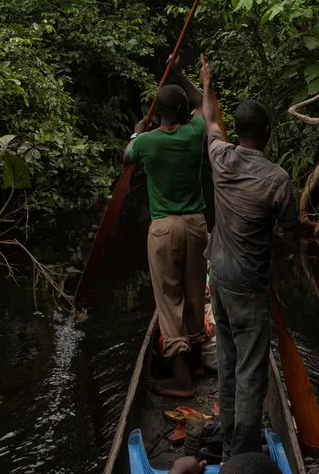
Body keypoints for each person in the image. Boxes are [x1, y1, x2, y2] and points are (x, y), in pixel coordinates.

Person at [199, 55, 300, 460]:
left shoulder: (220, 157)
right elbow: (292, 235)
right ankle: (241, 449)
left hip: (218, 279)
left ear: (236, 132)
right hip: (248, 287)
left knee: (227, 359)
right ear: (269, 133)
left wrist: (206, 83)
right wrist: (281, 227)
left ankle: (226, 433)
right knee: (251, 371)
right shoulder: (277, 180)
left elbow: (208, 119)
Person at [124, 55, 208, 397]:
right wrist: (180, 72)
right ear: (183, 110)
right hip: (197, 226)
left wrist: (137, 131)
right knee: (193, 293)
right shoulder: (195, 132)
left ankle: (181, 377)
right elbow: (203, 102)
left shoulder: (146, 142)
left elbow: (126, 155)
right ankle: (199, 360)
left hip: (164, 229)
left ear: (159, 113)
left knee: (168, 299)